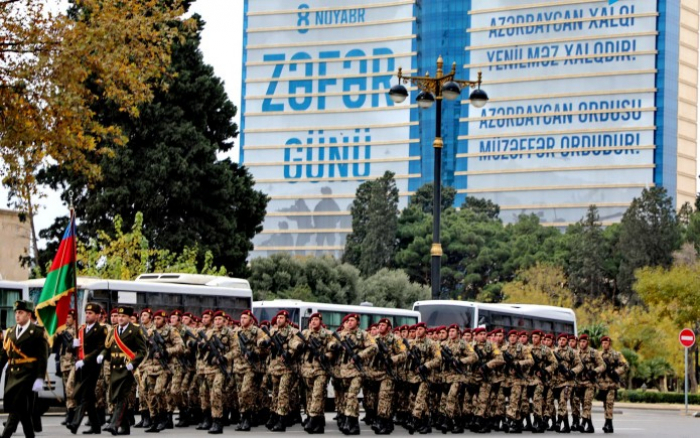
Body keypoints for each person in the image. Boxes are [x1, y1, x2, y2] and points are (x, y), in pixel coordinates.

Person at [0, 300, 49, 438]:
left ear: (28, 314)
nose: (17, 315)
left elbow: (42, 358)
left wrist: (40, 378)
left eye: (20, 312)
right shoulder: (10, 332)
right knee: (22, 412)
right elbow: (4, 356)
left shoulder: (37, 332)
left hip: (28, 377)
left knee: (15, 408)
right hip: (13, 376)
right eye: (16, 312)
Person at [99, 306, 147, 436]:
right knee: (115, 398)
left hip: (127, 369)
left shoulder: (135, 330)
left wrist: (133, 364)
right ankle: (125, 428)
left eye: (123, 316)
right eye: (118, 316)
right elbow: (107, 347)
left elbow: (143, 351)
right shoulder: (114, 331)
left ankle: (114, 425)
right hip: (115, 368)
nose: (120, 318)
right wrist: (102, 355)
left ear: (129, 318)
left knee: (122, 397)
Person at [67, 303, 109, 435]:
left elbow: (100, 348)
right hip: (81, 367)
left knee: (84, 395)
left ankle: (75, 423)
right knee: (89, 398)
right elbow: (71, 349)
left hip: (93, 367)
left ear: (97, 316)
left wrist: (85, 360)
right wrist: (72, 345)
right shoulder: (81, 329)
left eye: (90, 313)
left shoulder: (101, 330)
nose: (87, 315)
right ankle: (96, 427)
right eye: (86, 312)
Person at [143, 309, 184, 433]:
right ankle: (154, 420)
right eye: (154, 319)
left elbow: (180, 346)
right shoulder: (150, 331)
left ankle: (163, 418)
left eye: (158, 319)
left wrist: (166, 352)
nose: (156, 321)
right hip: (151, 367)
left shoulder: (171, 331)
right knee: (150, 394)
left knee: (159, 391)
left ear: (164, 319)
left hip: (164, 367)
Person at [574, 334, 605, 433]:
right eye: (580, 342)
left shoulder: (593, 353)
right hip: (579, 382)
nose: (582, 344)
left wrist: (594, 371)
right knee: (583, 404)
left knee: (587, 403)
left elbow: (603, 365)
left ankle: (583, 423)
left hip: (589, 383)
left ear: (587, 342)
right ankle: (590, 426)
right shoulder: (576, 353)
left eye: (584, 341)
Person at [598, 336, 628, 434]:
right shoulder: (599, 354)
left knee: (609, 403)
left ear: (609, 343)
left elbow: (625, 365)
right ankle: (606, 421)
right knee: (605, 404)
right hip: (602, 384)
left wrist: (616, 372)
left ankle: (609, 424)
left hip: (612, 383)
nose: (604, 345)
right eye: (602, 343)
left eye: (605, 343)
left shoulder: (616, 354)